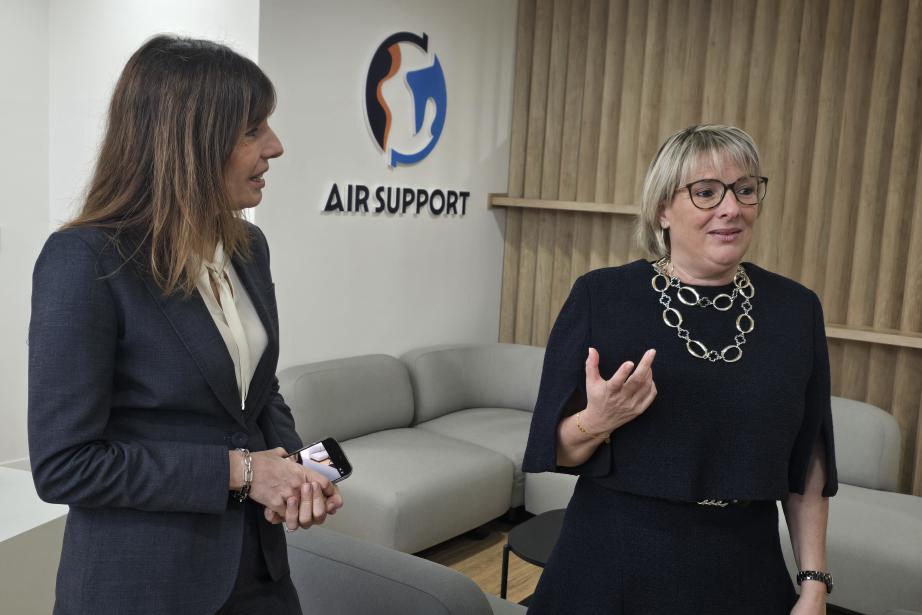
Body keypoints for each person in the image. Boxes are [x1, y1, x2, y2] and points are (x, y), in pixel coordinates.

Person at [28, 35, 342, 615]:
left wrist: (300, 472)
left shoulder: (249, 247)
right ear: (187, 141)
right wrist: (244, 472)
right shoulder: (85, 260)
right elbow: (64, 466)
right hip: (146, 585)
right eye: (252, 130)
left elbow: (256, 393)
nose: (276, 146)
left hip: (261, 570)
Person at [522, 125, 837, 615]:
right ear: (662, 210)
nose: (731, 208)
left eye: (745, 189)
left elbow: (809, 458)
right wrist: (599, 420)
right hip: (611, 561)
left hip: (744, 566)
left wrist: (814, 584)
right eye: (706, 192)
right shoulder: (601, 297)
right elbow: (556, 449)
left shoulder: (796, 310)